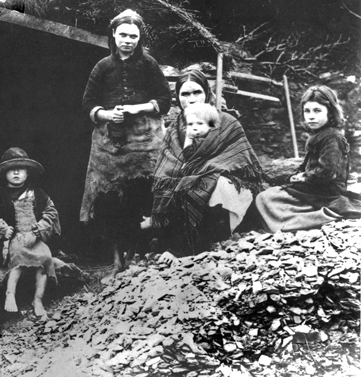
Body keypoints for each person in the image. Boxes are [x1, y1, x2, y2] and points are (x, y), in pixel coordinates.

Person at [80, 9, 171, 280]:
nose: (128, 40)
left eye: (133, 36)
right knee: (110, 200)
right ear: (114, 35)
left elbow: (164, 100)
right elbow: (87, 103)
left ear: (140, 37)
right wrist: (107, 114)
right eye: (123, 35)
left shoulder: (149, 65)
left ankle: (137, 254)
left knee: (142, 195)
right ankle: (116, 259)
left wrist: (136, 109)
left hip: (145, 141)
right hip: (110, 144)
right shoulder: (102, 66)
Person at [143, 70, 263, 253]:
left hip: (224, 185)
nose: (192, 99)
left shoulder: (227, 122)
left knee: (216, 185)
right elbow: (168, 165)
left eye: (197, 92)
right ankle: (180, 244)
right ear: (177, 97)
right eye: (185, 94)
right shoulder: (174, 129)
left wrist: (202, 171)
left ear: (207, 93)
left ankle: (218, 239)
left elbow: (241, 161)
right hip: (187, 182)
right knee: (173, 189)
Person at [256, 85, 361, 232]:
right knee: (267, 196)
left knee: (267, 198)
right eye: (307, 111)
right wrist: (296, 175)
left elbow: (328, 172)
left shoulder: (332, 137)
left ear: (330, 112)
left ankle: (324, 215)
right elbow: (306, 164)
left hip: (327, 190)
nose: (311, 116)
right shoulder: (318, 135)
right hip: (315, 186)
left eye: (317, 111)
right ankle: (299, 216)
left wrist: (303, 177)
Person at [0, 147, 60, 317]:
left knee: (45, 257)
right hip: (11, 240)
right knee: (18, 254)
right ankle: (10, 295)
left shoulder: (38, 194)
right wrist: (2, 229)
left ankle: (38, 299)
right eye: (11, 169)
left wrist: (38, 231)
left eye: (21, 169)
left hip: (34, 237)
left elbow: (51, 212)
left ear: (28, 173)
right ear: (5, 173)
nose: (16, 172)